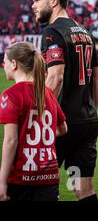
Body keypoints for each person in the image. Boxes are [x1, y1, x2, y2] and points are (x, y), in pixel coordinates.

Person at [32, 0, 98, 201]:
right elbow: (97, 79)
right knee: (84, 190)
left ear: (53, 1)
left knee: (41, 184)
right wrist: (90, 109)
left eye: (37, 0)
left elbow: (56, 77)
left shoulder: (52, 32)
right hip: (87, 121)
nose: (33, 5)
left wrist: (38, 115)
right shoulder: (85, 32)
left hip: (61, 124)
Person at [0, 42, 67, 201]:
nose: (4, 65)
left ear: (14, 64)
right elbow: (63, 128)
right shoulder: (47, 93)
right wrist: (41, 138)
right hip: (48, 176)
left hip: (21, 178)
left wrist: (2, 181)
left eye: (5, 61)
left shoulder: (11, 95)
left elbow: (11, 140)